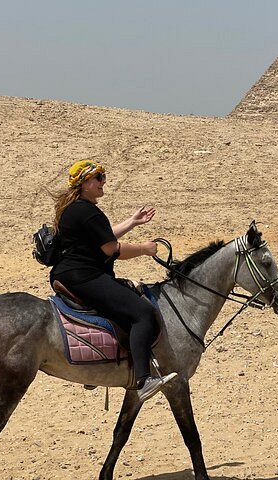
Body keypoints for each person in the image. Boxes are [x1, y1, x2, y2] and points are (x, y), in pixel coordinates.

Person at [50, 159, 176, 402]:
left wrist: (132, 222)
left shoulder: (75, 208)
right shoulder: (87, 211)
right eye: (98, 178)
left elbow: (102, 237)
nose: (103, 182)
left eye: (103, 177)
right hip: (85, 277)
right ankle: (144, 381)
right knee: (143, 313)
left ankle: (96, 368)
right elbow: (111, 248)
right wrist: (144, 249)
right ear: (84, 183)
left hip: (68, 274)